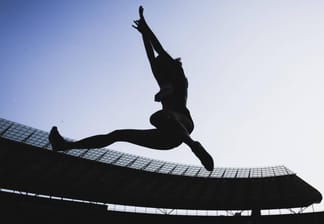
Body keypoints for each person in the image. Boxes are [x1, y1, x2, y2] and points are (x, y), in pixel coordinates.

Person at [49, 6, 214, 171]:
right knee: (118, 134)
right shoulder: (163, 78)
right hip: (166, 137)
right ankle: (64, 146)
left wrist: (145, 26)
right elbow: (151, 56)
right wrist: (143, 34)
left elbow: (159, 50)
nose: (159, 73)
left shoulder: (179, 77)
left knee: (161, 116)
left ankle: (194, 146)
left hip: (184, 123)